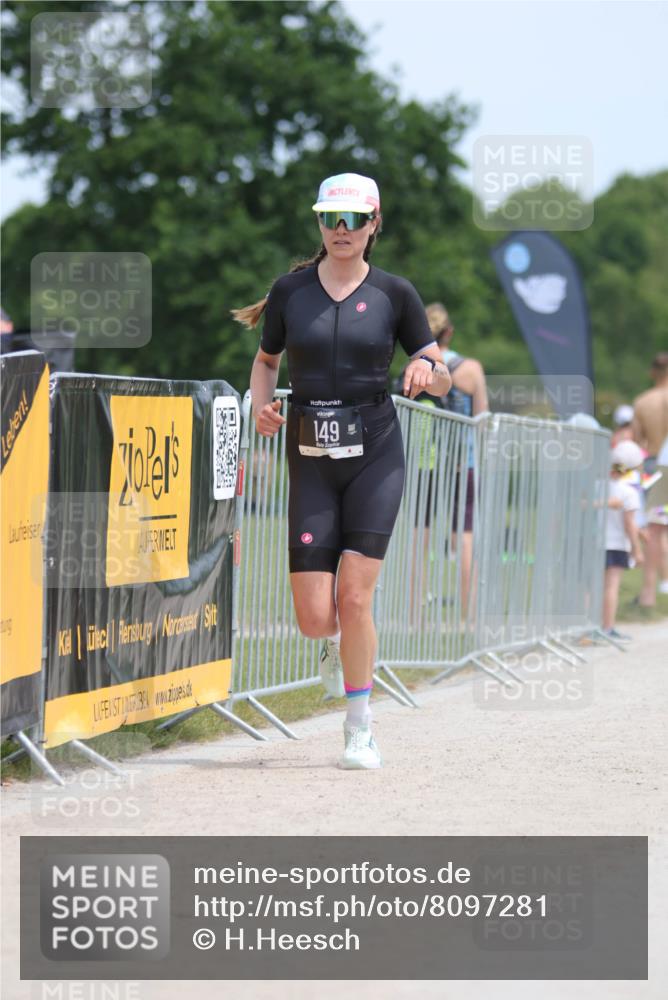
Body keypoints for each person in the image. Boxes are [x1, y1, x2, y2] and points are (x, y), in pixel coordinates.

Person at [233, 172, 451, 769]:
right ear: (320, 223)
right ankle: (334, 647)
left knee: (355, 598)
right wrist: (261, 407)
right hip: (310, 461)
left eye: (353, 220)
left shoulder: (395, 294)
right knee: (314, 619)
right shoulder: (290, 292)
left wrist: (427, 372)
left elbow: (440, 374)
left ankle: (360, 728)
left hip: (375, 456)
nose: (341, 230)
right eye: (331, 219)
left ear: (374, 223)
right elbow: (266, 361)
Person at [426, 303, 488, 616]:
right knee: (465, 535)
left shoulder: (416, 367)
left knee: (420, 534)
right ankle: (468, 612)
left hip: (425, 460)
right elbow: (482, 417)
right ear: (448, 331)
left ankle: (413, 617)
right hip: (464, 461)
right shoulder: (470, 368)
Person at [632, 353, 668, 607]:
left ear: (652, 372)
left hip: (654, 467)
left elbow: (637, 445)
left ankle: (648, 593)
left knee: (656, 528)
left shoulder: (644, 401)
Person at [603, 441, 645, 641]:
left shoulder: (598, 486)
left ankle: (587, 627)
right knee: (611, 587)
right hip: (617, 545)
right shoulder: (629, 492)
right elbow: (629, 524)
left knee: (591, 587)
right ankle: (607, 627)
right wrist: (637, 550)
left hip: (595, 543)